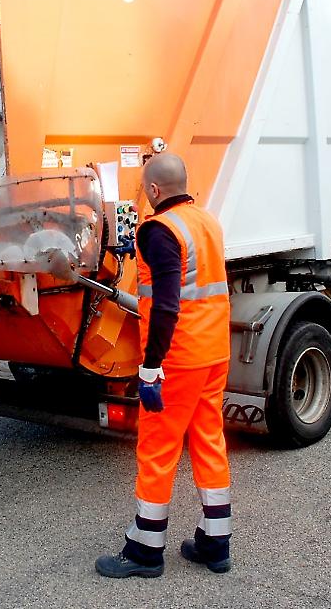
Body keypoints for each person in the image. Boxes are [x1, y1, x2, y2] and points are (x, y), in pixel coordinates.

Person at [95, 152, 233, 578]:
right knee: (209, 441)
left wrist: (151, 367)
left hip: (179, 359)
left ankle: (145, 550)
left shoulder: (158, 230)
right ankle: (215, 544)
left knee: (157, 450)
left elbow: (168, 304)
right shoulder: (207, 221)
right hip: (214, 352)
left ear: (154, 190)